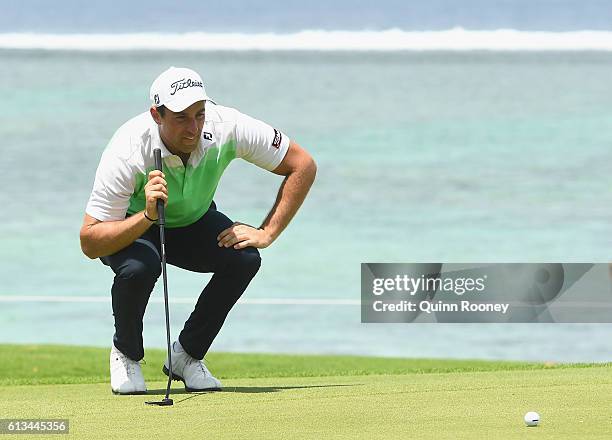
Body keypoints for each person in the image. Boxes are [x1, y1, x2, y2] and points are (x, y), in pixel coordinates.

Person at [79, 66, 316, 395]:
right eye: (180, 118)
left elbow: (302, 165)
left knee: (245, 258)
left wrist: (267, 232)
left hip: (193, 220)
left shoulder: (226, 125)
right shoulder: (128, 150)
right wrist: (147, 216)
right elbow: (90, 241)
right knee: (139, 269)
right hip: (136, 223)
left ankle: (187, 357)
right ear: (156, 115)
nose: (193, 128)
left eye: (199, 114)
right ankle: (126, 354)